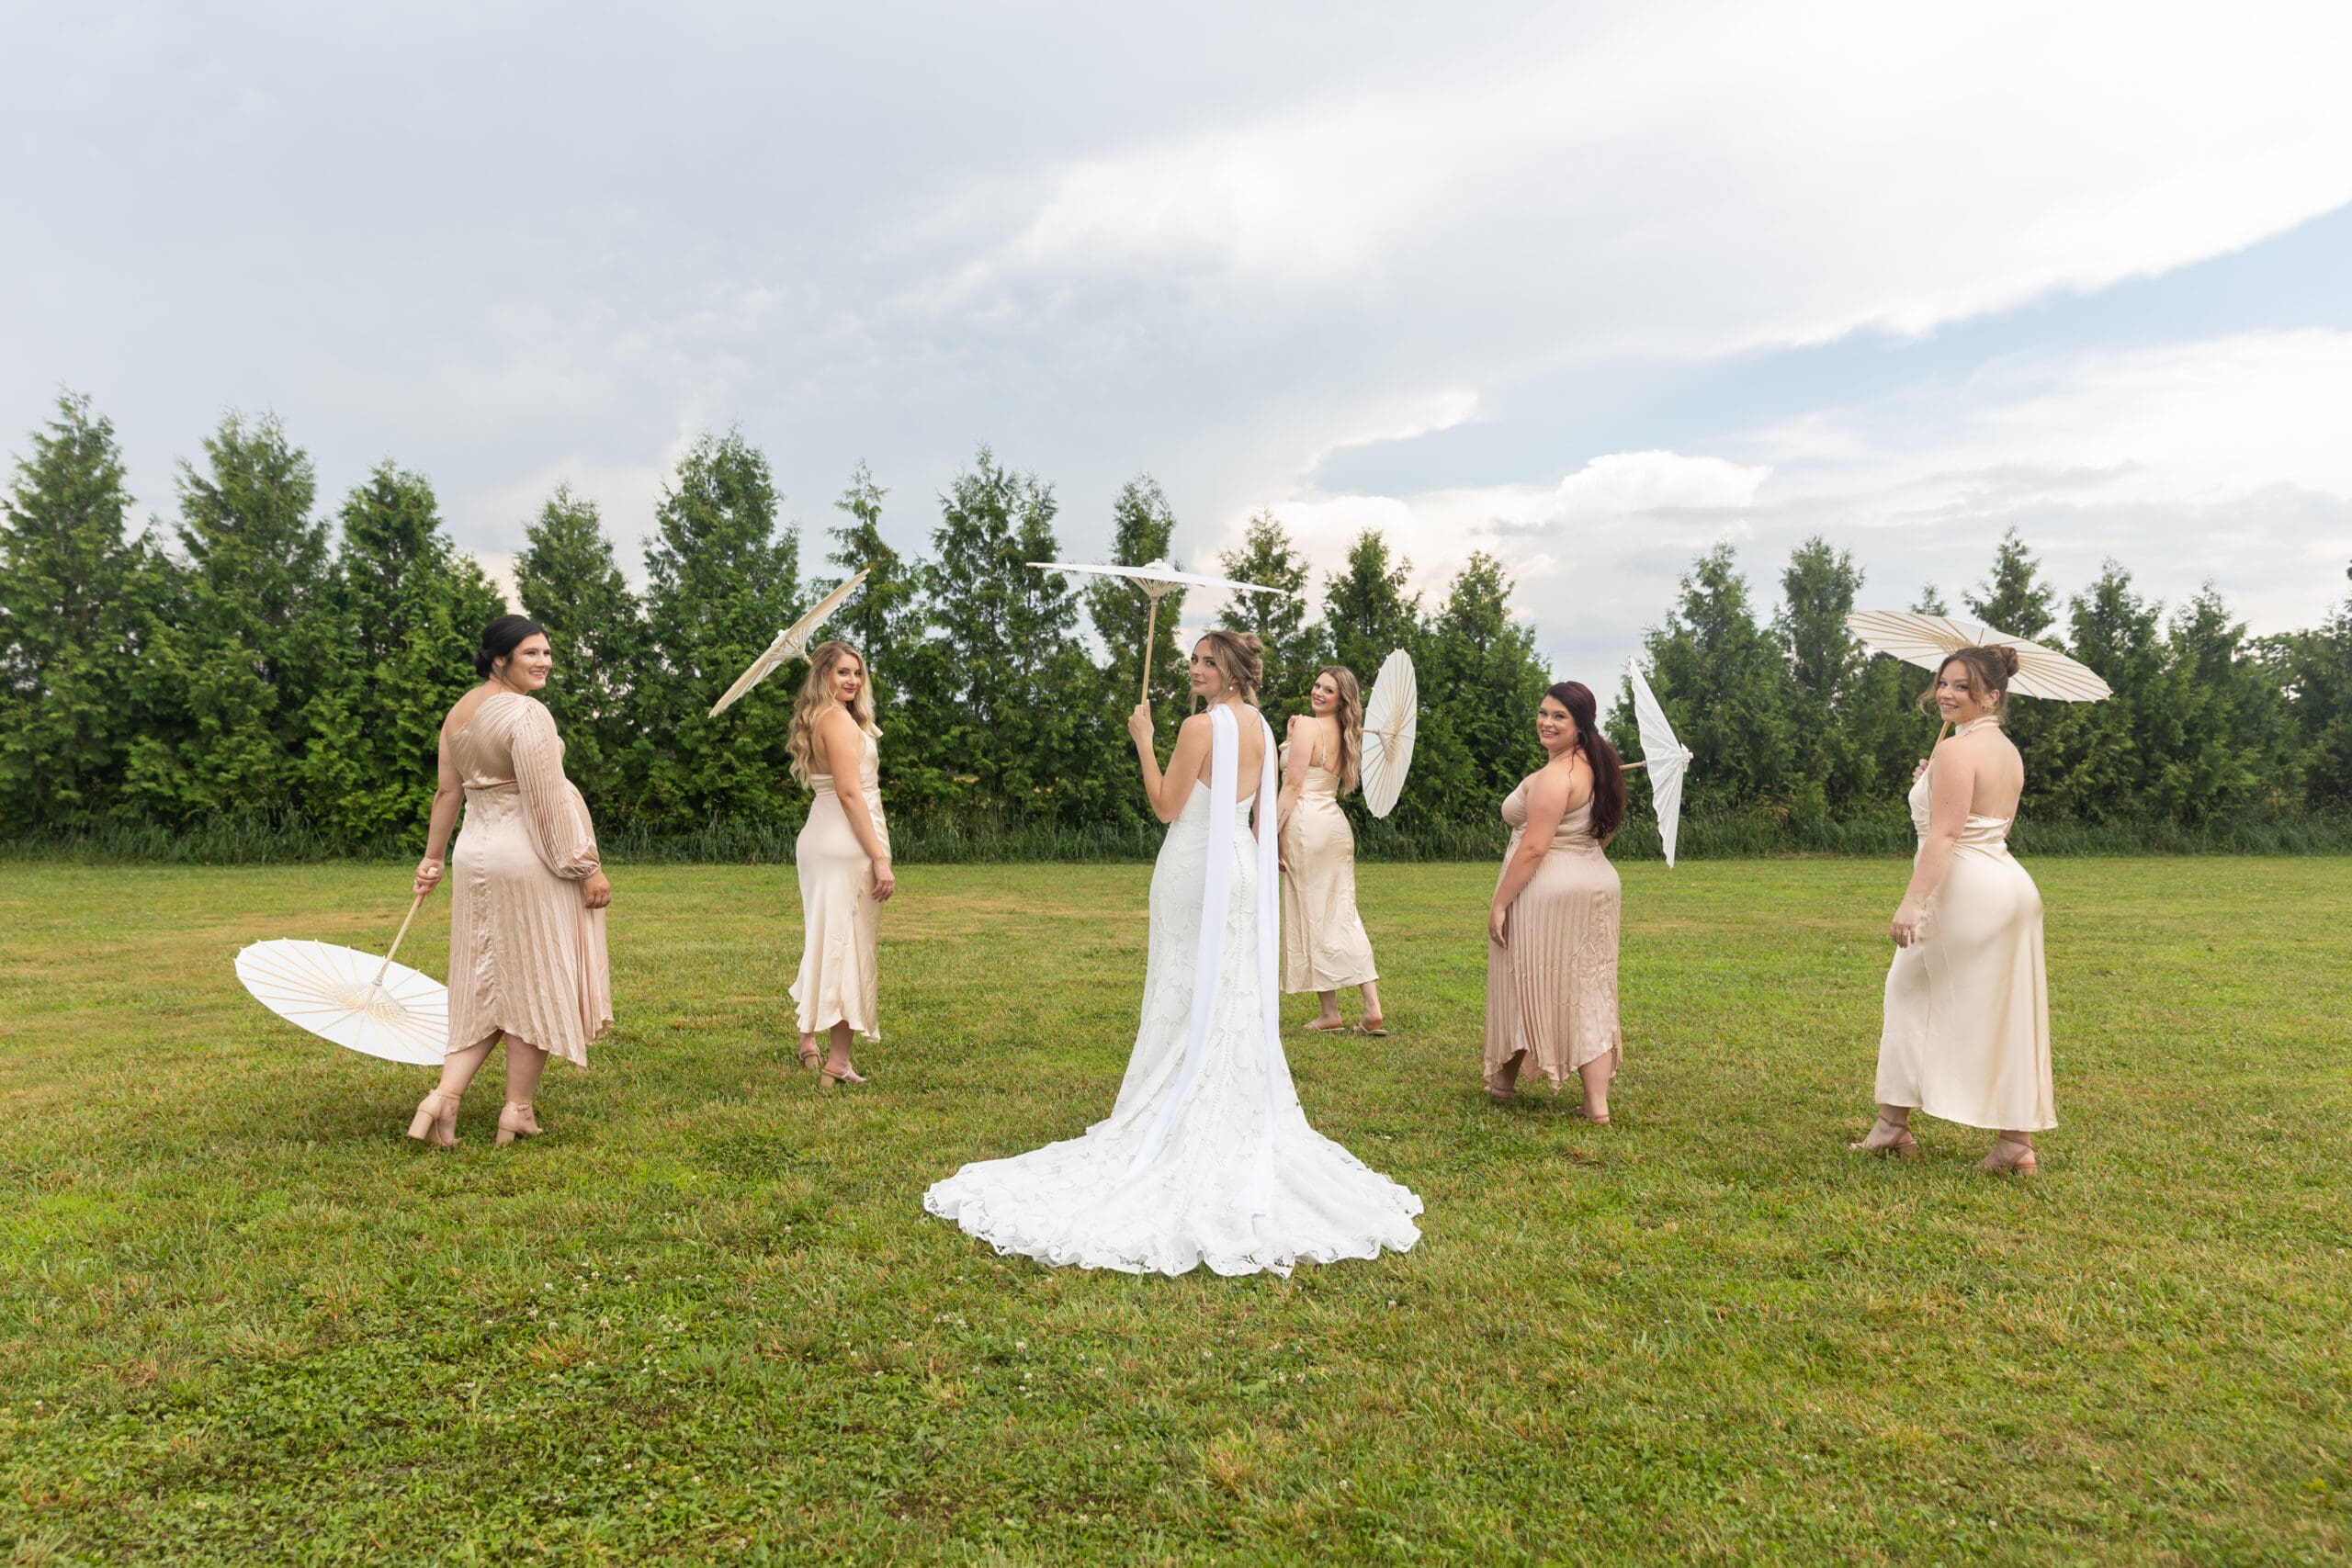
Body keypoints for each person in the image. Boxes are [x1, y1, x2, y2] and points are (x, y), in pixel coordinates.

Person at [923, 630, 1422, 1276]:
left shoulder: (1198, 728)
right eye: (1193, 659)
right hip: (1240, 866)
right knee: (1228, 990)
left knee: (1184, 988)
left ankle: (1175, 1106)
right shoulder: (1261, 724)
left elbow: (1165, 805)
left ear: (1234, 671)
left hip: (1194, 866)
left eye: (1208, 661)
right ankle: (1220, 1101)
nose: (1195, 669)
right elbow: (1259, 813)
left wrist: (1143, 738)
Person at [409, 615, 613, 1148]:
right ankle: (516, 1109)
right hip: (527, 855)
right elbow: (546, 801)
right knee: (535, 980)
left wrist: (433, 858)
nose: (544, 662)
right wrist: (585, 866)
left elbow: (447, 793)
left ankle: (443, 1098)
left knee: (485, 982)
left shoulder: (459, 712)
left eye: (547, 653)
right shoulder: (527, 712)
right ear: (501, 659)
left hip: (474, 853)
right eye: (531, 653)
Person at [1853, 646, 2052, 1172]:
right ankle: (2015, 1143)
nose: (1946, 693)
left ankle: (1893, 1126)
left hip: (1964, 890)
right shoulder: (2006, 752)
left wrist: (1912, 903)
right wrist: (1931, 781)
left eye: (1963, 686)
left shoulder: (1956, 752)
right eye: (1944, 682)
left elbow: (1945, 836)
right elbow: (1995, 824)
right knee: (2007, 1011)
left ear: (1992, 696)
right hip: (2010, 887)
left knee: (1906, 992)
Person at [1485, 681, 1625, 1124]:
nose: (1546, 722)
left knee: (1523, 977)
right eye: (1543, 713)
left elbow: (1534, 848)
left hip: (1549, 887)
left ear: (1580, 724)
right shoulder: (1602, 769)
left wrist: (1500, 903)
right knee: (1589, 988)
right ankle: (1592, 1104)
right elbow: (1605, 832)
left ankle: (1504, 1084)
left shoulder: (1556, 776)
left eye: (1559, 716)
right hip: (1596, 879)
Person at [786, 639, 894, 1089]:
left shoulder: (821, 718)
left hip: (821, 837)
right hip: (846, 840)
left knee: (825, 939)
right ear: (823, 676)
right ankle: (838, 1061)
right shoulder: (837, 722)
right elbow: (851, 794)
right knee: (847, 945)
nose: (852, 680)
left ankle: (809, 1040)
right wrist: (880, 857)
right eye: (842, 672)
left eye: (857, 672)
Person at [1278, 665, 1386, 1034]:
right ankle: (1361, 1007)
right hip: (1334, 825)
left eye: (1328, 690)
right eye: (1317, 685)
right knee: (1341, 912)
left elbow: (1293, 785)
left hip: (1306, 824)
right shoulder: (1348, 733)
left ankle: (1335, 1011)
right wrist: (1291, 738)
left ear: (1342, 699)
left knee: (1313, 914)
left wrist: (1271, 834)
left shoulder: (1309, 726)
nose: (1318, 693)